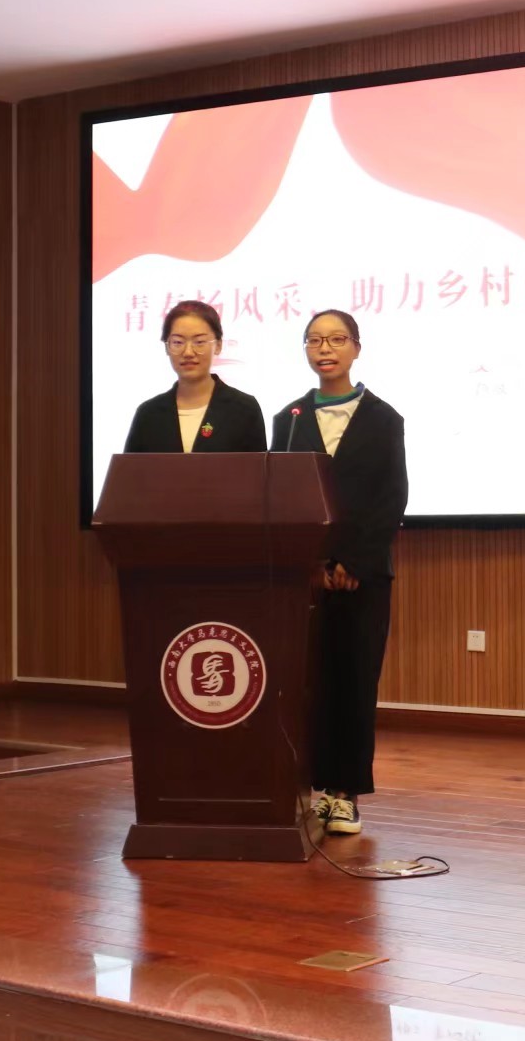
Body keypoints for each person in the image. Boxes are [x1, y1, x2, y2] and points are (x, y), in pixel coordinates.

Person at [272, 309, 408, 836]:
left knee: (354, 682)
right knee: (307, 684)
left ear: (356, 348)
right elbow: (282, 497)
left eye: (336, 339)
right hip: (303, 578)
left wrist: (353, 561)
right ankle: (307, 787)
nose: (324, 349)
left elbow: (390, 498)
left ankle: (345, 794)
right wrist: (313, 563)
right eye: (314, 340)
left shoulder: (384, 418)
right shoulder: (289, 419)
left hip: (363, 576)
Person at [122, 299, 267, 456]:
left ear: (218, 345)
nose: (188, 352)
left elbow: (257, 470)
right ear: (167, 347)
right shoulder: (148, 414)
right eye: (178, 342)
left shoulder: (244, 409)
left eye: (199, 342)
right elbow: (130, 470)